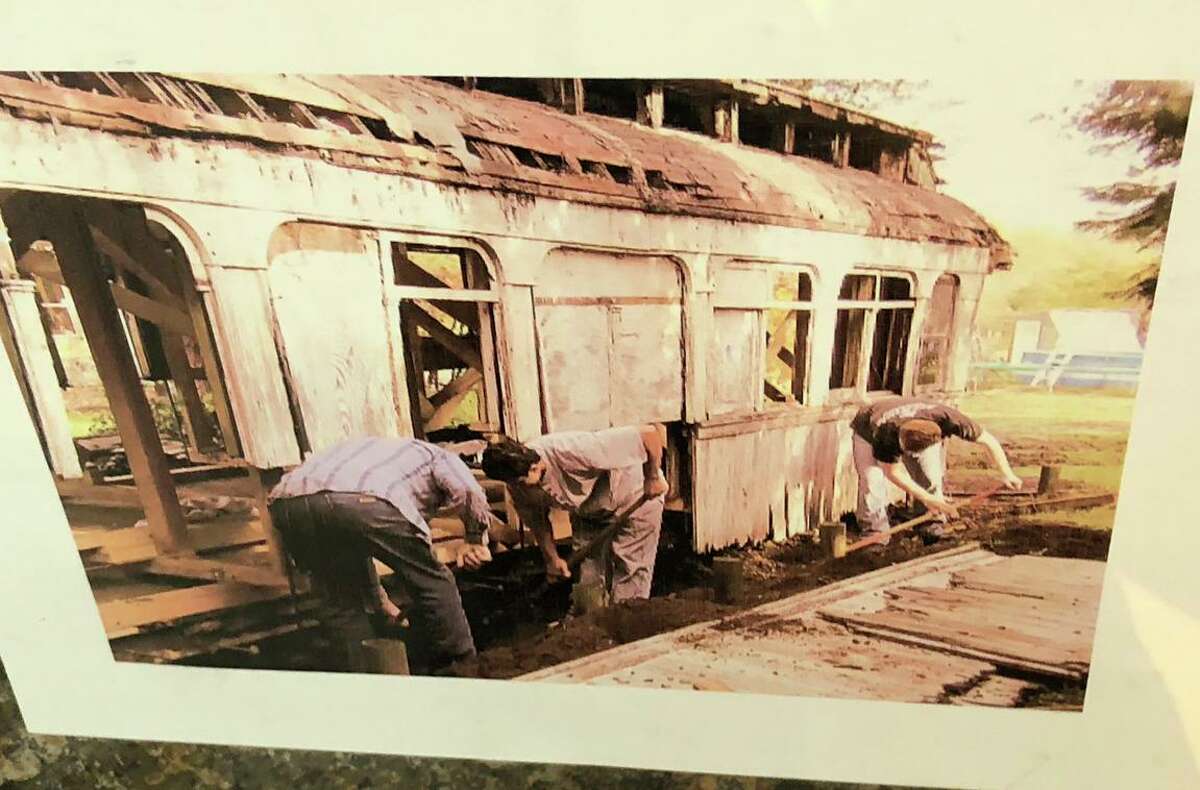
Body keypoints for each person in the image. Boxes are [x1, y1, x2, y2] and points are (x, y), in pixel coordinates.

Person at [267, 436, 494, 675]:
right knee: (433, 582)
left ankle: (367, 677)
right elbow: (468, 490)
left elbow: (351, 537)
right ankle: (461, 668)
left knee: (342, 602)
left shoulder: (371, 452)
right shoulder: (438, 455)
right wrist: (474, 539)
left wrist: (380, 602)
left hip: (288, 504)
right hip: (364, 498)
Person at [481, 424, 669, 609]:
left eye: (521, 482)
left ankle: (626, 625)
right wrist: (552, 559)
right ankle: (592, 629)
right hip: (589, 512)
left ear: (534, 468)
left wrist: (652, 477)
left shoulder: (574, 449)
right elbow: (537, 520)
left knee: (630, 572)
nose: (518, 487)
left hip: (634, 496)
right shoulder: (516, 481)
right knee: (589, 582)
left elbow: (649, 435)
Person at [850, 397, 1022, 545]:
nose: (906, 457)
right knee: (871, 482)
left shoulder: (951, 419)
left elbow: (989, 441)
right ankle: (875, 535)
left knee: (930, 477)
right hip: (866, 427)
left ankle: (931, 524)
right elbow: (892, 473)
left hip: (919, 426)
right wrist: (928, 499)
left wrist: (1007, 473)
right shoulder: (885, 433)